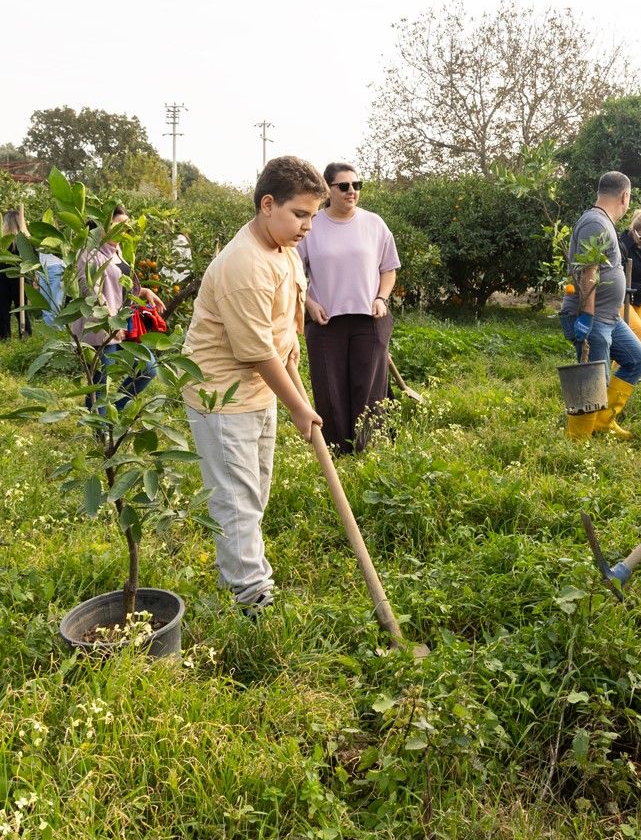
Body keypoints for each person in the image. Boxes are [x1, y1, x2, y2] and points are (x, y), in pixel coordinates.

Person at [183, 155, 327, 616]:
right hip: (222, 396)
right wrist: (300, 408)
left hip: (259, 388)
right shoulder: (243, 265)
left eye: (312, 216)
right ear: (268, 204)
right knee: (236, 498)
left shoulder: (282, 249)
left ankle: (244, 571)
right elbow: (256, 352)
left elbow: (280, 325)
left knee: (254, 490)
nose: (307, 226)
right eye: (299, 214)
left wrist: (293, 350)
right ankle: (250, 597)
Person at [299, 161, 401, 454]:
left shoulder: (374, 223)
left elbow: (389, 269)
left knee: (368, 390)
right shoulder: (312, 225)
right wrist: (309, 303)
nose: (351, 191)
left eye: (356, 185)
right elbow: (292, 272)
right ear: (328, 190)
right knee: (330, 391)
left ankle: (367, 452)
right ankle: (337, 453)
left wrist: (381, 298)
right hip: (325, 321)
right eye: (343, 186)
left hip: (369, 319)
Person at [559, 171, 641, 440]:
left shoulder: (603, 222)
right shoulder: (595, 223)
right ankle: (578, 441)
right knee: (594, 379)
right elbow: (589, 271)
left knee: (637, 359)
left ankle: (603, 421)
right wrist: (586, 316)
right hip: (593, 315)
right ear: (625, 196)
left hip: (609, 317)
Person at [75, 207, 165, 410]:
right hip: (101, 329)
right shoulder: (89, 253)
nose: (123, 232)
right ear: (102, 225)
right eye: (118, 226)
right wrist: (112, 321)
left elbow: (119, 286)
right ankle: (101, 434)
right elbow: (92, 291)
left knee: (148, 368)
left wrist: (144, 291)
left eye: (126, 228)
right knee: (98, 386)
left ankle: (115, 410)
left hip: (124, 328)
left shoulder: (116, 250)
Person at [1, 209, 32, 340]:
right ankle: (6, 337)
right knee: (5, 310)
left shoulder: (25, 241)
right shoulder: (4, 242)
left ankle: (22, 335)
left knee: (20, 310)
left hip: (18, 278)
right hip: (5, 278)